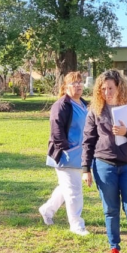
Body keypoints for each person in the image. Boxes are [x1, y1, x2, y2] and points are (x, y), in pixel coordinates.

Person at [81, 69, 127, 253]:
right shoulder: (95, 110)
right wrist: (86, 169)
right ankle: (114, 249)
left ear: (119, 87)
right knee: (110, 209)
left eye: (110, 88)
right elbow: (88, 140)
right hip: (104, 166)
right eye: (103, 89)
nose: (107, 92)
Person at [39, 71, 90, 236]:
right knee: (74, 191)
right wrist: (67, 148)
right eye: (73, 83)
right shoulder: (61, 105)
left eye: (80, 82)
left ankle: (47, 210)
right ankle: (76, 225)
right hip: (67, 155)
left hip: (80, 155)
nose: (78, 86)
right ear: (65, 87)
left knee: (67, 187)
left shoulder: (83, 104)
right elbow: (56, 130)